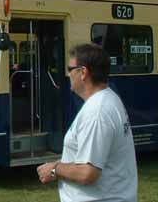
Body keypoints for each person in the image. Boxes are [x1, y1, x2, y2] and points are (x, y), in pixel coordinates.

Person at [37, 43, 138, 202]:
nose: (68, 74)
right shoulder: (109, 98)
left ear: (83, 72)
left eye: (70, 69)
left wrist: (55, 169)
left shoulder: (96, 113)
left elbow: (88, 173)